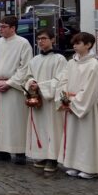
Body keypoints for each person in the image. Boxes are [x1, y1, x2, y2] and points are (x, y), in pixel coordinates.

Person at [55, 32, 98, 179]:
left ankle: (90, 168)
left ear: (88, 45)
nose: (74, 46)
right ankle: (74, 164)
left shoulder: (93, 65)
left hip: (86, 106)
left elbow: (90, 89)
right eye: (74, 43)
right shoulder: (71, 62)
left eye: (78, 43)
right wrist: (64, 98)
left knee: (86, 137)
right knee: (73, 135)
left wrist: (74, 102)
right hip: (70, 103)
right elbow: (63, 81)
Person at [0, 16, 33, 165]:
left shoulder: (23, 44)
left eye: (4, 26)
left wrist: (10, 83)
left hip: (13, 89)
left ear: (13, 28)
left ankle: (20, 151)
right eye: (0, 26)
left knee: (15, 121)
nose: (0, 29)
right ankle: (1, 151)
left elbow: (25, 67)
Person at [23, 29, 67, 172]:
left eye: (44, 38)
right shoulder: (35, 60)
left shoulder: (59, 59)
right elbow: (28, 76)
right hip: (38, 100)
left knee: (52, 128)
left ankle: (53, 158)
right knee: (39, 128)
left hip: (51, 100)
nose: (40, 41)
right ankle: (42, 155)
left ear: (52, 40)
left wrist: (41, 86)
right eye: (38, 39)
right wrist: (31, 83)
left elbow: (61, 79)